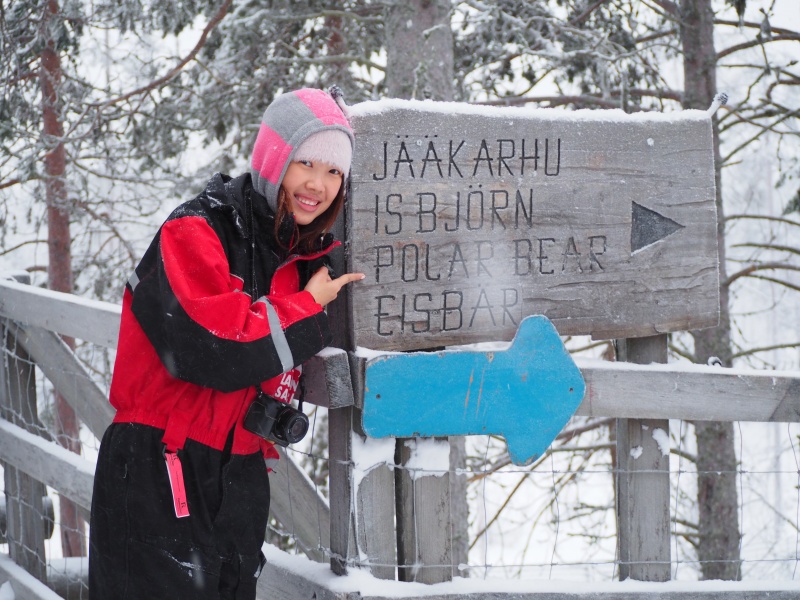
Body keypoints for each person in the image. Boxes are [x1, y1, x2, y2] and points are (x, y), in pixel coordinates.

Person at [88, 87, 364, 599]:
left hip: (239, 477)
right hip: (159, 468)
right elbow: (215, 350)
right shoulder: (198, 228)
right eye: (306, 162)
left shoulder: (302, 255)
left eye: (334, 172)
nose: (318, 184)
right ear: (275, 157)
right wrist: (307, 308)